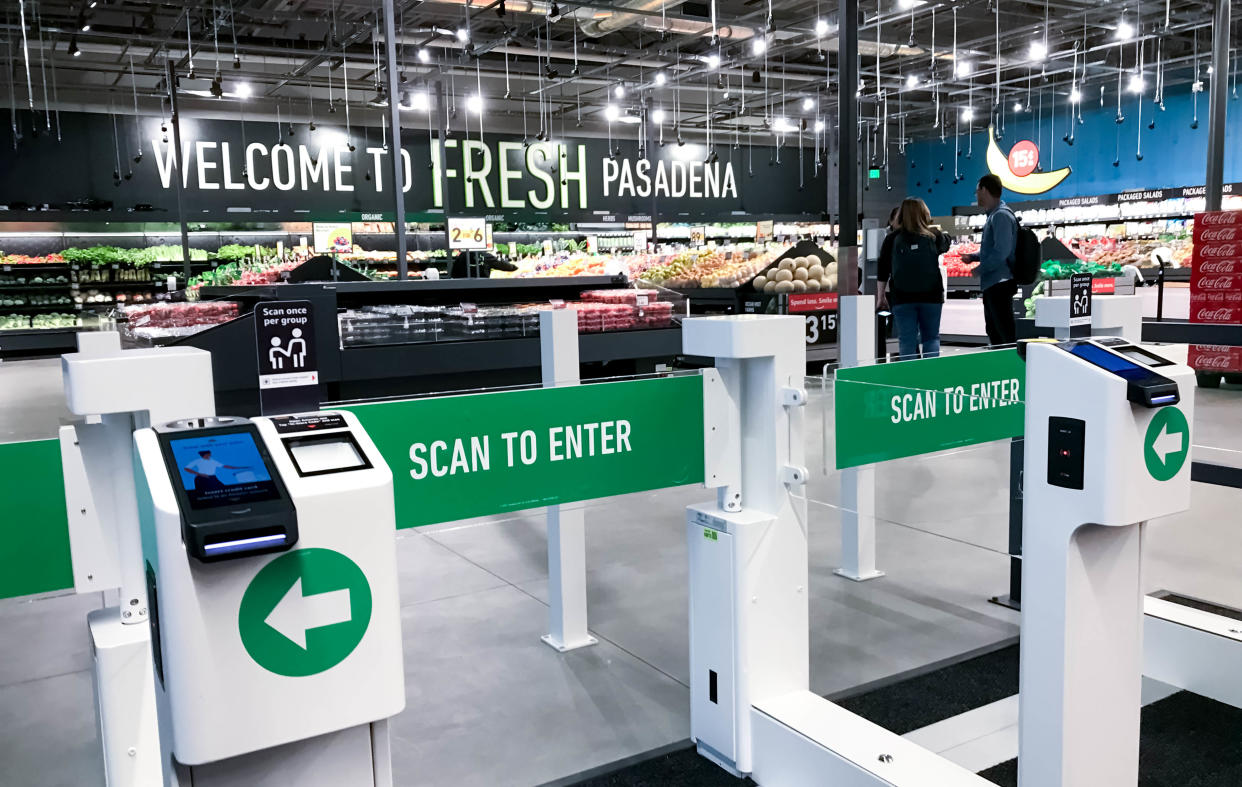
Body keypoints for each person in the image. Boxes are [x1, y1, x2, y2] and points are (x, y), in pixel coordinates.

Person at [876, 198, 951, 359]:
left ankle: (909, 380)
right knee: (931, 338)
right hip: (932, 297)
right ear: (924, 214)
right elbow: (947, 243)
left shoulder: (891, 239)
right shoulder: (933, 236)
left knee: (907, 341)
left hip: (902, 298)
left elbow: (882, 269)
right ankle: (930, 378)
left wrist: (881, 297)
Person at [961, 174, 1018, 346]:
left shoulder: (1000, 216)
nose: (976, 195)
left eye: (977, 191)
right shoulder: (995, 215)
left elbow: (1001, 252)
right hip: (994, 283)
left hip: (999, 283)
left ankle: (1008, 368)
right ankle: (1001, 367)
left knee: (1002, 333)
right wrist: (973, 257)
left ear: (984, 190)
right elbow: (993, 249)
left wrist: (980, 269)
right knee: (995, 331)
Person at [183, 450, 250, 492]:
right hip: (201, 478)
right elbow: (186, 468)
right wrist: (199, 474)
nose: (210, 455)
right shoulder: (197, 461)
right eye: (209, 454)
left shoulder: (213, 461)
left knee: (222, 489)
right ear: (205, 454)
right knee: (202, 492)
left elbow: (224, 466)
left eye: (210, 454)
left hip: (212, 477)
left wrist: (238, 467)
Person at [450, 250, 519, 279]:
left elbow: (453, 274)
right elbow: (507, 266)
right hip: (483, 289)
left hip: (462, 291)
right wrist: (514, 266)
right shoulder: (485, 256)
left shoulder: (461, 256)